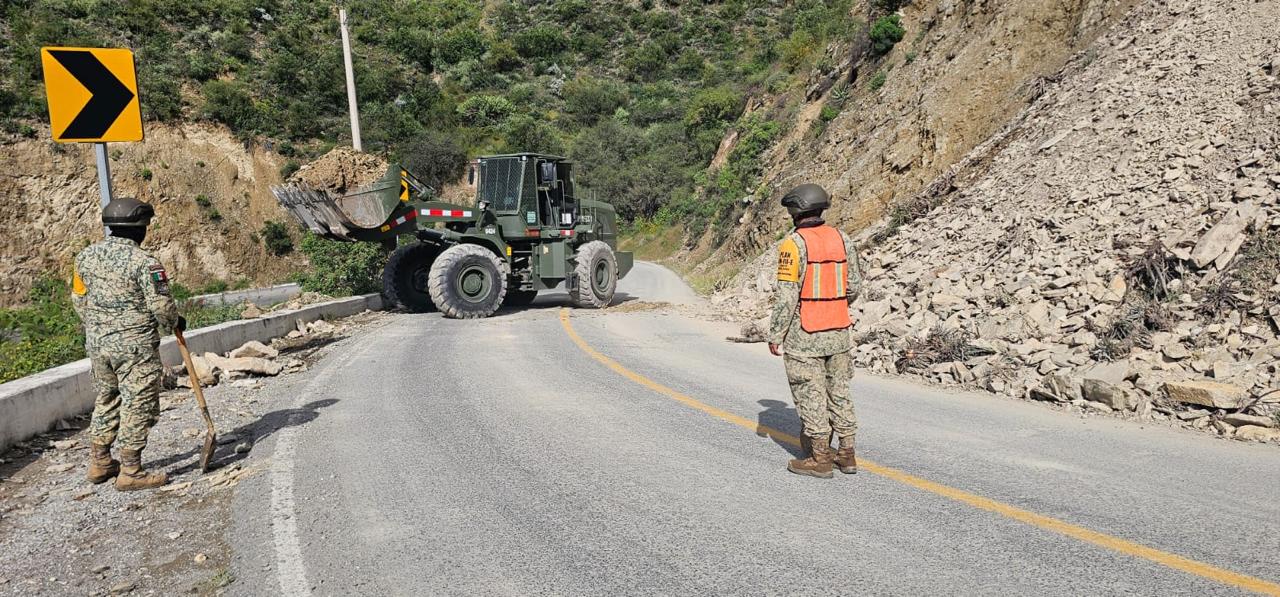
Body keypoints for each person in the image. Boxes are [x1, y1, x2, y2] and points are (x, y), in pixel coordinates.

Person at [70, 197, 185, 491]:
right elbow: (161, 307)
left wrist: (101, 327)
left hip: (98, 344)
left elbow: (78, 299)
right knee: (138, 401)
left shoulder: (84, 257)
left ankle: (100, 462)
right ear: (140, 229)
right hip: (135, 346)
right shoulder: (146, 263)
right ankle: (131, 471)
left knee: (108, 397)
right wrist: (175, 322)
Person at [766, 184, 862, 479]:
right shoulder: (842, 238)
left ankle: (820, 458)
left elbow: (787, 296)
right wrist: (833, 304)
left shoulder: (793, 245)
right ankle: (846, 453)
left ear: (795, 211)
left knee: (810, 394)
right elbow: (854, 287)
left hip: (805, 335)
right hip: (839, 331)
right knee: (840, 391)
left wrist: (776, 333)